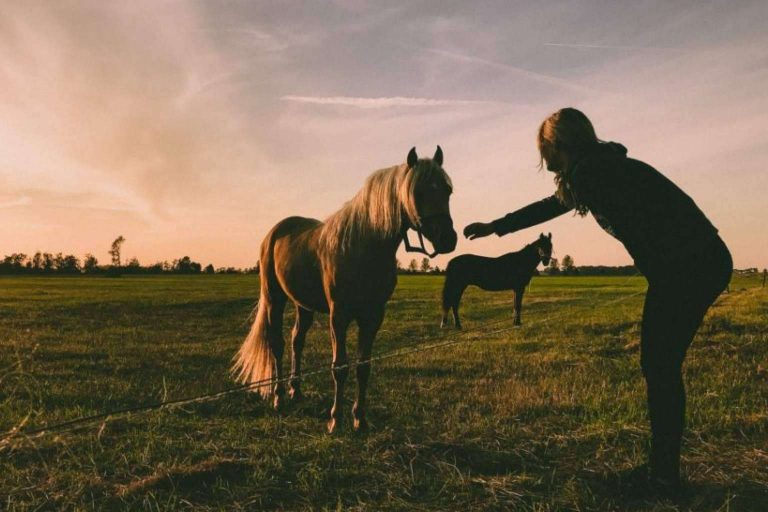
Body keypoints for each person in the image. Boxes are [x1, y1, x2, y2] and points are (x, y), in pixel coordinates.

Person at [464, 108, 732, 496]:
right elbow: (559, 203)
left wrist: (497, 226)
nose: (544, 161)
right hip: (698, 261)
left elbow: (554, 206)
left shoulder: (593, 172)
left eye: (545, 151)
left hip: (688, 266)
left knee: (659, 366)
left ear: (559, 145)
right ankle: (663, 473)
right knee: (660, 366)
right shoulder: (600, 167)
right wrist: (499, 226)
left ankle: (663, 480)